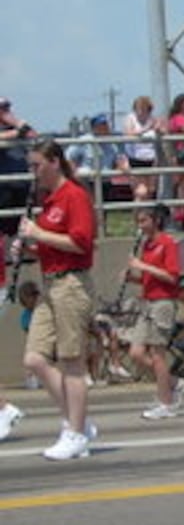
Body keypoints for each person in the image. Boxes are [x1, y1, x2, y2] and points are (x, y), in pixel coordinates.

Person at [17, 139, 98, 460]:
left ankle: (75, 432)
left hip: (72, 284)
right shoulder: (50, 201)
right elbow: (52, 245)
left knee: (71, 362)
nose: (33, 172)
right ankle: (78, 420)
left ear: (54, 161)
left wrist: (39, 234)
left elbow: (81, 243)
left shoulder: (74, 196)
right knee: (34, 358)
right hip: (50, 283)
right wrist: (29, 248)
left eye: (36, 165)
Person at [125, 204, 184, 419]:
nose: (140, 226)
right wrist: (133, 277)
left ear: (155, 221)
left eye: (144, 221)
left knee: (157, 355)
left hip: (163, 303)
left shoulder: (167, 243)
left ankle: (166, 402)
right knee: (136, 352)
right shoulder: (146, 245)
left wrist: (143, 267)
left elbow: (172, 277)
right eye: (138, 221)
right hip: (148, 302)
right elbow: (149, 279)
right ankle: (172, 383)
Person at [122, 95, 162, 200]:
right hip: (135, 159)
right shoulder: (130, 118)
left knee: (150, 192)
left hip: (151, 159)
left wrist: (159, 129)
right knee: (141, 192)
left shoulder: (153, 119)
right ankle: (138, 215)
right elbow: (128, 134)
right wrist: (146, 129)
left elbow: (163, 132)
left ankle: (146, 216)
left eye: (146, 108)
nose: (142, 111)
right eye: (139, 108)